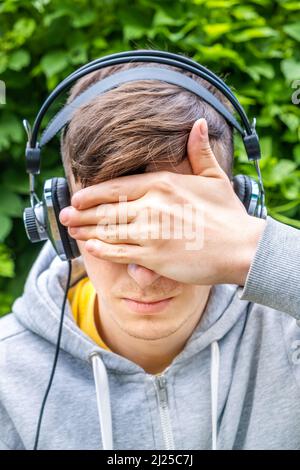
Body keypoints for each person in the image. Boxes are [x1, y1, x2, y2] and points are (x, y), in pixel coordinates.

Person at [0, 61, 299, 451]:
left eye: (176, 230)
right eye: (115, 228)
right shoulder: (8, 373)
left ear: (239, 209)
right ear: (60, 222)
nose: (145, 275)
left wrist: (253, 250)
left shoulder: (287, 335)